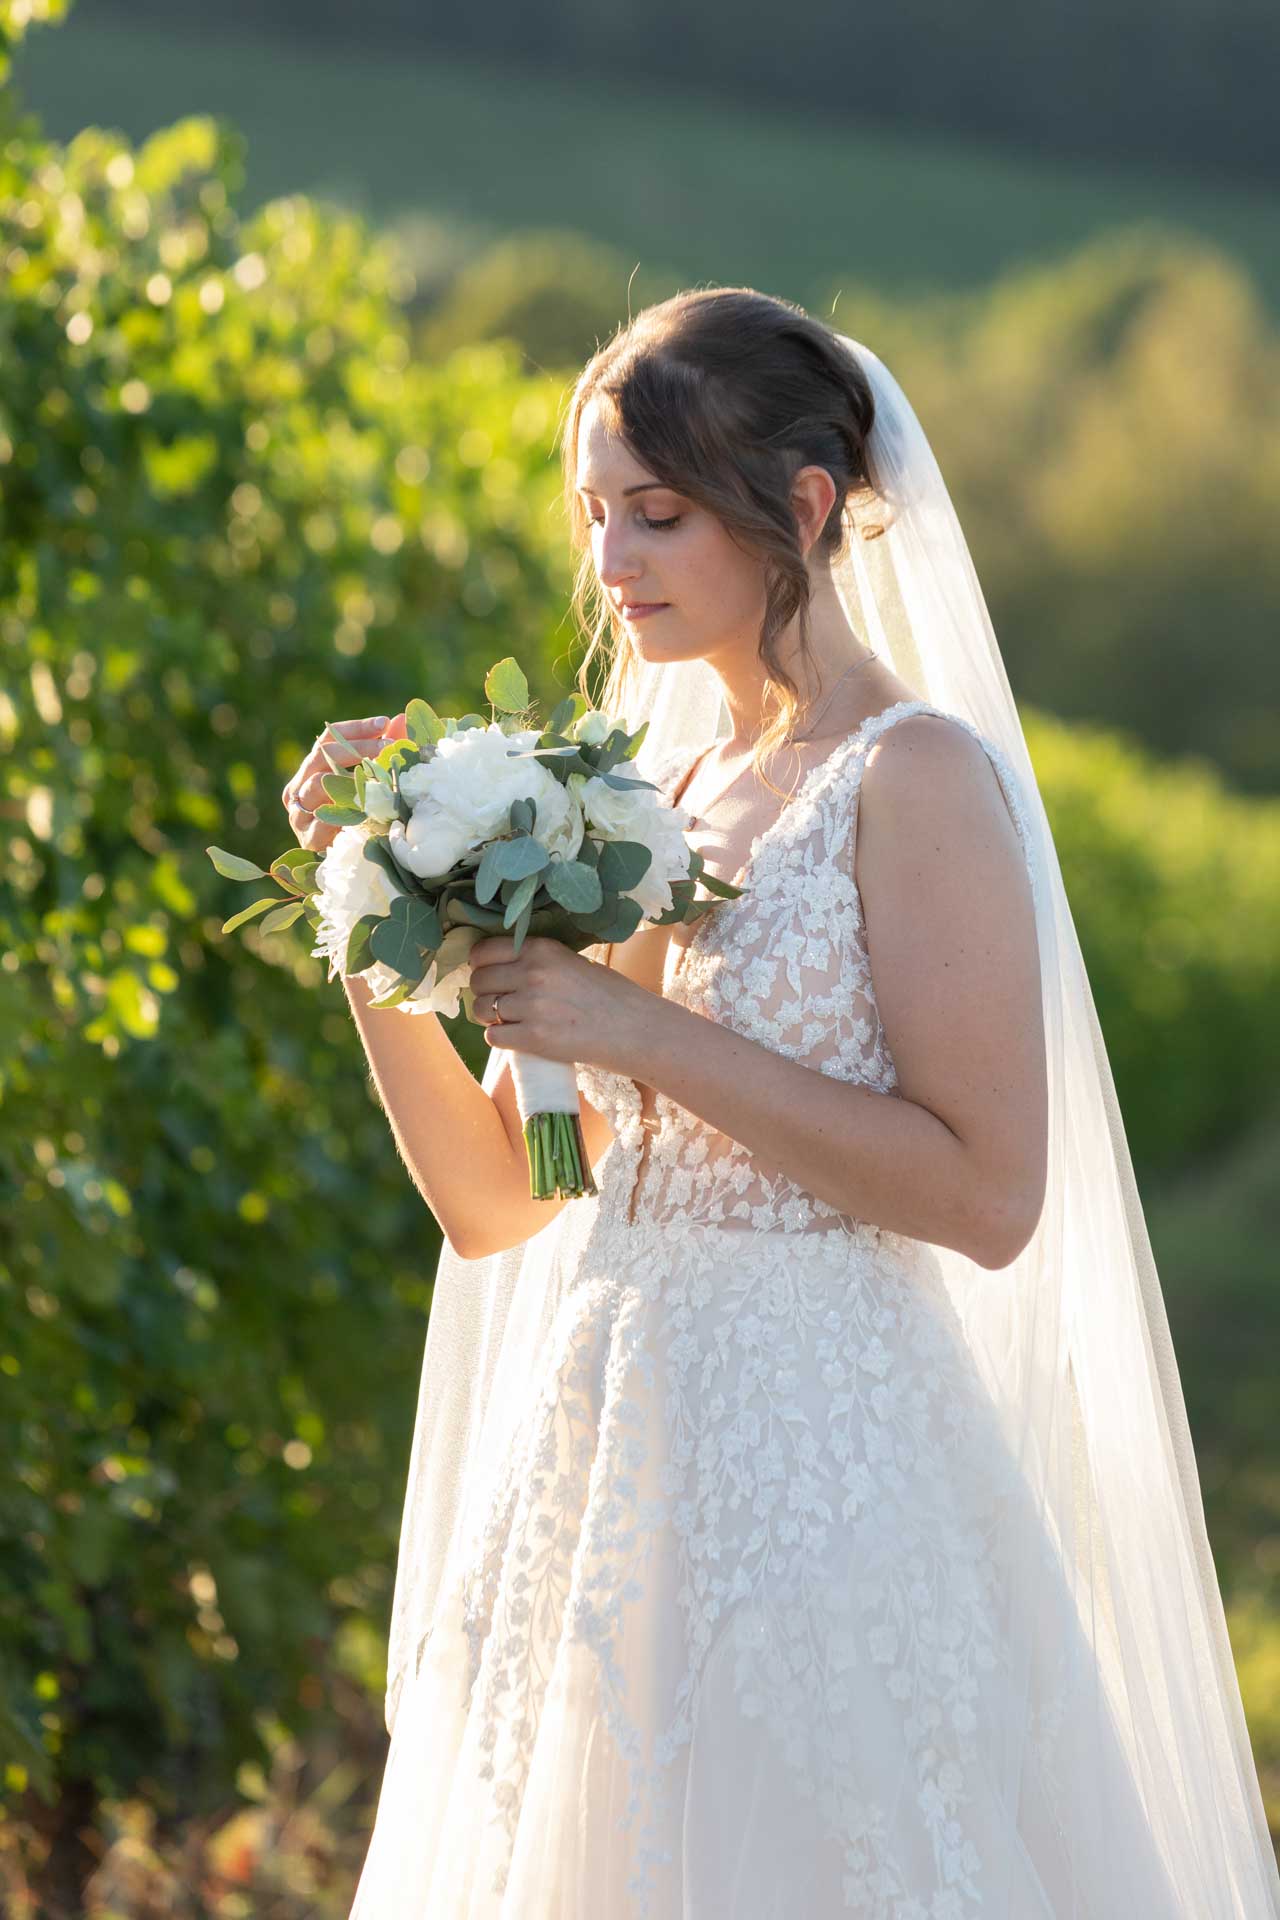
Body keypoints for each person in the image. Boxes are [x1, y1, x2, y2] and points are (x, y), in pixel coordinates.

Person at [283, 291, 1280, 1917]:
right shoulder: (643, 802)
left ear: (803, 508)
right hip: (607, 1474)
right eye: (598, 517)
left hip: (826, 1482)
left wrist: (648, 1031)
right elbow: (502, 1201)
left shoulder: (915, 777)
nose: (613, 562)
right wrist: (368, 902)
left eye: (658, 515)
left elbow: (989, 1194)